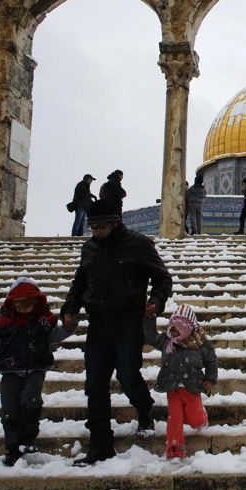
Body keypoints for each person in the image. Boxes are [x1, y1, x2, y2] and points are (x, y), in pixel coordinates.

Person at [61, 198, 173, 466]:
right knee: (95, 385)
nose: (96, 232)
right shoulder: (89, 249)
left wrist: (156, 301)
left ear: (115, 223)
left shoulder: (138, 244)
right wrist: (70, 307)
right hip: (98, 324)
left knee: (127, 374)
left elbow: (162, 278)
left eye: (101, 227)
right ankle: (101, 446)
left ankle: (144, 408)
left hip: (128, 322)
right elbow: (80, 282)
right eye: (93, 227)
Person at [0, 277, 77, 466]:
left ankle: (29, 439)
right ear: (12, 303)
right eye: (19, 305)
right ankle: (12, 447)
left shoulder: (44, 321)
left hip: (36, 368)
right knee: (10, 409)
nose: (24, 309)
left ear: (36, 302)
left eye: (28, 305)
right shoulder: (3, 323)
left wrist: (69, 326)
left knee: (31, 401)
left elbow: (56, 336)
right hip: (10, 370)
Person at [143, 304, 217, 459]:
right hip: (173, 388)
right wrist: (150, 318)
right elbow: (150, 336)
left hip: (193, 388)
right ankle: (175, 451)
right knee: (175, 419)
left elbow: (211, 360)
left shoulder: (201, 344)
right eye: (172, 328)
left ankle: (203, 418)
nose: (173, 332)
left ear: (188, 328)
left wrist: (210, 378)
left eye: (178, 329)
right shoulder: (167, 342)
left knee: (195, 420)